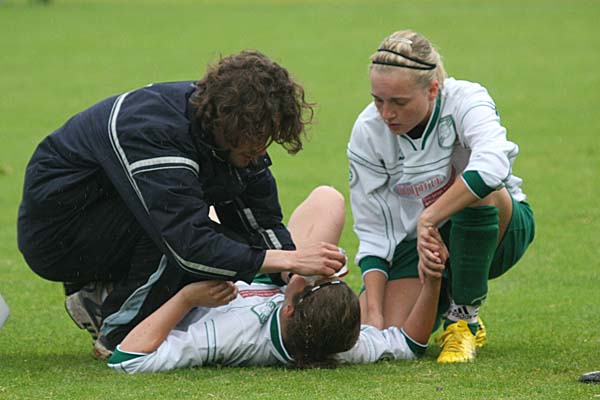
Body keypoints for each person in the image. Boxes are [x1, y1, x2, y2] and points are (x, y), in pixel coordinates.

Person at [17, 50, 346, 358]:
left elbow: (261, 222)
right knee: (186, 243)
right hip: (58, 236)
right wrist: (289, 257)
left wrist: (293, 273)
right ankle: (117, 329)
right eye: (256, 139)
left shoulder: (235, 132)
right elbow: (188, 245)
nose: (261, 150)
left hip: (115, 217)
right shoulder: (154, 129)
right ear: (227, 123)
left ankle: (105, 293)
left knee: (224, 246)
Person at [107, 186, 445, 372]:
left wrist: (188, 299)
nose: (317, 276)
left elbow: (128, 360)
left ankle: (101, 291)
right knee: (327, 199)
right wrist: (432, 281)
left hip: (205, 290)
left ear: (289, 309)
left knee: (192, 214)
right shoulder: (345, 345)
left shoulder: (227, 336)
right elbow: (410, 344)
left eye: (314, 283)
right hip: (266, 282)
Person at [347, 30, 535, 363]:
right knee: (388, 335)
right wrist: (373, 313)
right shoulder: (367, 131)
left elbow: (494, 164)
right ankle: (444, 288)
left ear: (433, 89)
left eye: (399, 102)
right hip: (419, 245)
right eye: (378, 100)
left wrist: (429, 217)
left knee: (481, 191)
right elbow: (373, 229)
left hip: (502, 229)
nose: (386, 113)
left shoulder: (466, 98)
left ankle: (463, 320)